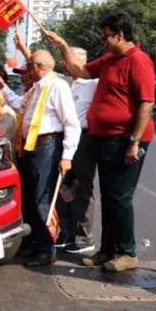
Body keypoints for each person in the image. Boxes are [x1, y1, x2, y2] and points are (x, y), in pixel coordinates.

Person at [46, 10, 155, 272]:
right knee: (109, 196)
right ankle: (108, 250)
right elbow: (79, 71)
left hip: (124, 139)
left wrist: (134, 142)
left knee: (120, 197)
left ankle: (127, 252)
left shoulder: (138, 61)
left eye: (107, 36)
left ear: (120, 35)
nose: (103, 41)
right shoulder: (110, 59)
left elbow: (146, 103)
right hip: (104, 138)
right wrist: (62, 45)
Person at [0, 50, 81, 266]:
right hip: (32, 146)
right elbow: (19, 105)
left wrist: (67, 156)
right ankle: (34, 242)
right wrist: (2, 86)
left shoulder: (57, 86)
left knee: (43, 197)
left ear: (37, 67)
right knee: (31, 196)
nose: (28, 70)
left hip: (48, 145)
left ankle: (47, 247)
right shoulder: (36, 89)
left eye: (30, 65)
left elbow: (71, 123)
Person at [56, 48, 99, 254]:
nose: (64, 65)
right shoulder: (64, 83)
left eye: (67, 60)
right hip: (65, 138)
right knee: (64, 186)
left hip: (84, 139)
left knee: (82, 188)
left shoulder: (94, 85)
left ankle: (84, 238)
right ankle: (65, 233)